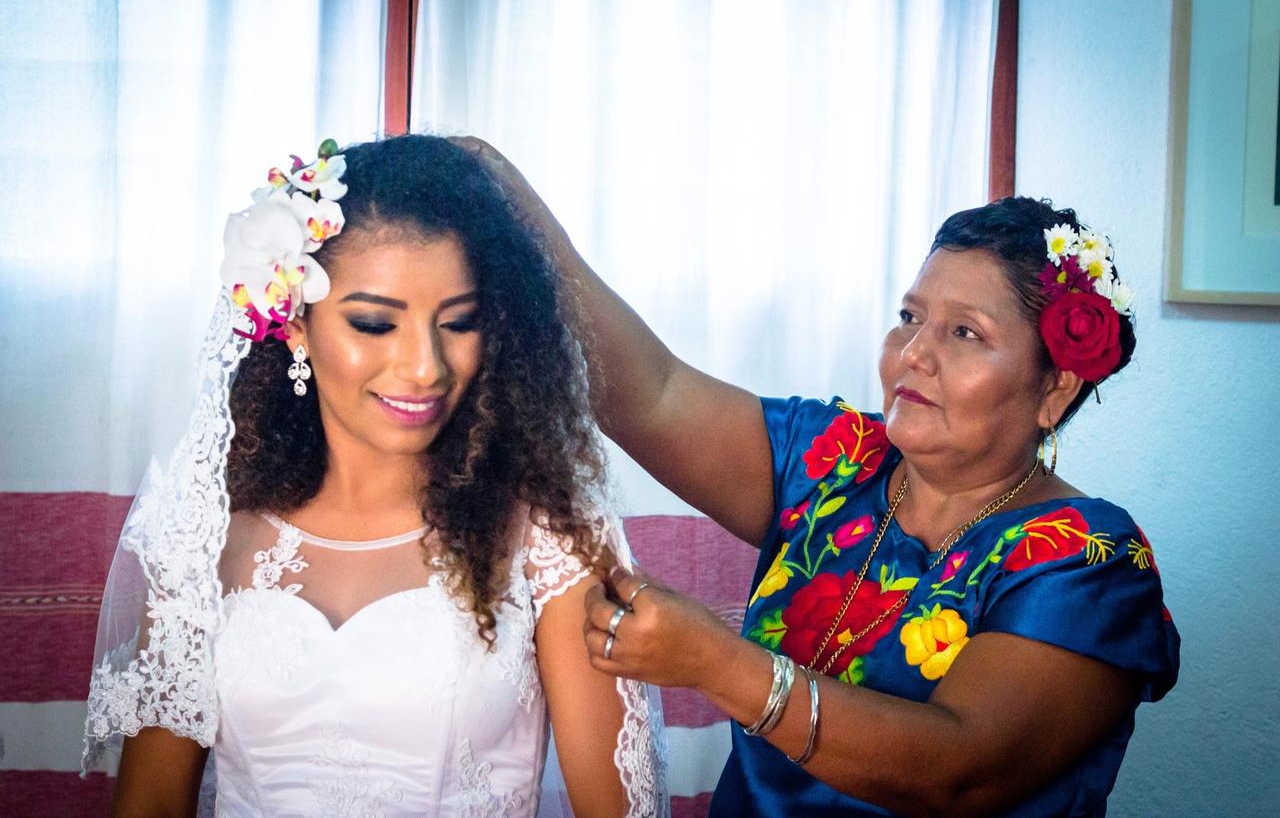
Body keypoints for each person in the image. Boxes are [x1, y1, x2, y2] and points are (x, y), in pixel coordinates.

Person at [463, 138, 1179, 817]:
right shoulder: (837, 460)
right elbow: (652, 394)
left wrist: (718, 663)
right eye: (910, 316)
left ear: (1054, 387)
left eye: (965, 333)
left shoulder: (1090, 560)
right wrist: (497, 189)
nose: (912, 354)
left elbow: (956, 772)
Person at [82, 134, 667, 817]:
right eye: (374, 323)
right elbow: (149, 803)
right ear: (294, 321)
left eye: (459, 321)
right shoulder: (199, 533)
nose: (425, 366)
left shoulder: (550, 537)